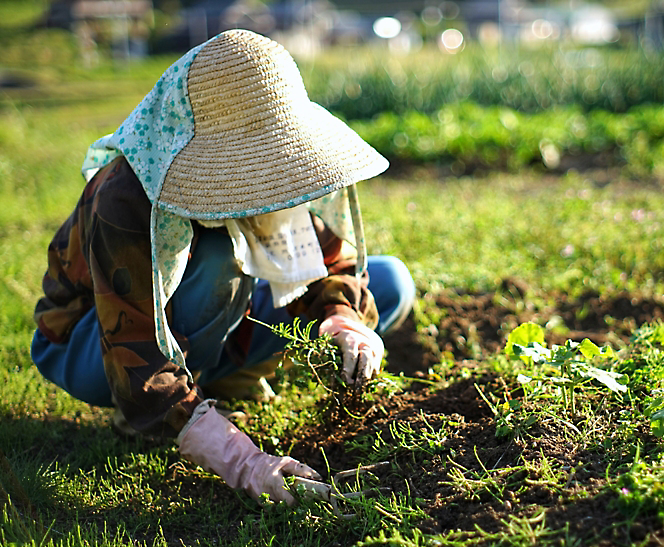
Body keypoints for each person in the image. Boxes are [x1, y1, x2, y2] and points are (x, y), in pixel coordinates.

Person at [31, 29, 415, 505]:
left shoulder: (285, 170)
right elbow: (131, 344)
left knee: (391, 281)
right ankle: (172, 410)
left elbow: (331, 260)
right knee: (220, 263)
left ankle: (220, 374)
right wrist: (242, 460)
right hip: (93, 342)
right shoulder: (127, 197)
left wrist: (343, 320)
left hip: (213, 313)